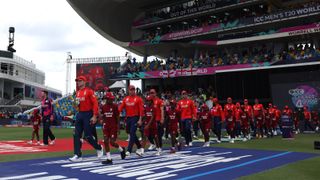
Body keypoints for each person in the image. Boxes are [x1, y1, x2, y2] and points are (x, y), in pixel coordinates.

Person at [69, 76, 104, 162]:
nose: (78, 82)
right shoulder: (77, 93)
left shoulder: (89, 91)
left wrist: (95, 116)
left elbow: (95, 103)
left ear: (84, 82)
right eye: (77, 81)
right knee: (76, 134)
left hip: (88, 114)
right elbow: (77, 106)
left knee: (88, 136)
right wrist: (74, 107)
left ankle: (99, 148)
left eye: (80, 81)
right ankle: (77, 154)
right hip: (80, 114)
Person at [100, 92, 126, 164]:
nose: (111, 100)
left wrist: (118, 128)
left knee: (112, 142)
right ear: (107, 99)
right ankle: (109, 158)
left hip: (113, 126)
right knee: (105, 141)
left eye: (112, 99)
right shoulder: (103, 107)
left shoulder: (115, 106)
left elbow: (117, 117)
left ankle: (121, 149)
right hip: (106, 126)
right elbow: (102, 116)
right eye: (109, 99)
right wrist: (101, 120)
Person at [119, 85, 144, 156]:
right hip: (128, 118)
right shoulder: (125, 99)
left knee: (132, 132)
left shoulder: (138, 99)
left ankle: (129, 150)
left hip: (135, 117)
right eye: (131, 89)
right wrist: (117, 113)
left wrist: (140, 119)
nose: (132, 91)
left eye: (133, 89)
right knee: (129, 132)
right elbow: (121, 107)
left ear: (135, 90)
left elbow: (141, 110)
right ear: (128, 90)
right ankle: (139, 146)